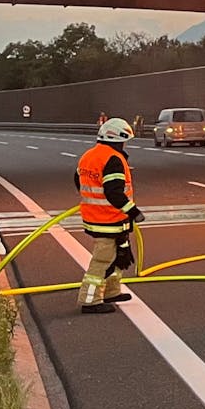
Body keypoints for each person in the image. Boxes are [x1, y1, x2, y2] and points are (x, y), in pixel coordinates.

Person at [75, 117, 145, 314]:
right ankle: (90, 301)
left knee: (118, 255)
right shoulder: (113, 159)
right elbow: (114, 192)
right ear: (118, 139)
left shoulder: (89, 155)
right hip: (108, 219)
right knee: (102, 260)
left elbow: (78, 180)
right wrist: (133, 212)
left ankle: (111, 292)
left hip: (97, 217)